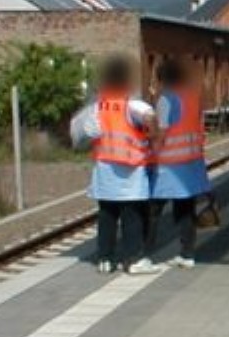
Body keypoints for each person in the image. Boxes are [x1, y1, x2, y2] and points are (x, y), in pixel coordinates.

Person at [87, 55, 160, 275]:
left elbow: (88, 131)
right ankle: (133, 259)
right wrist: (152, 135)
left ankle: (105, 259)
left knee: (107, 216)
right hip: (130, 173)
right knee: (132, 217)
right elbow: (150, 117)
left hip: (104, 171)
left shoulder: (98, 106)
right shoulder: (132, 104)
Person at [146, 59, 210, 268]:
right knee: (185, 210)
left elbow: (161, 132)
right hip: (192, 163)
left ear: (162, 79)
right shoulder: (192, 97)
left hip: (169, 166)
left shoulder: (166, 99)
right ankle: (187, 254)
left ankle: (144, 254)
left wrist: (150, 143)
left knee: (152, 211)